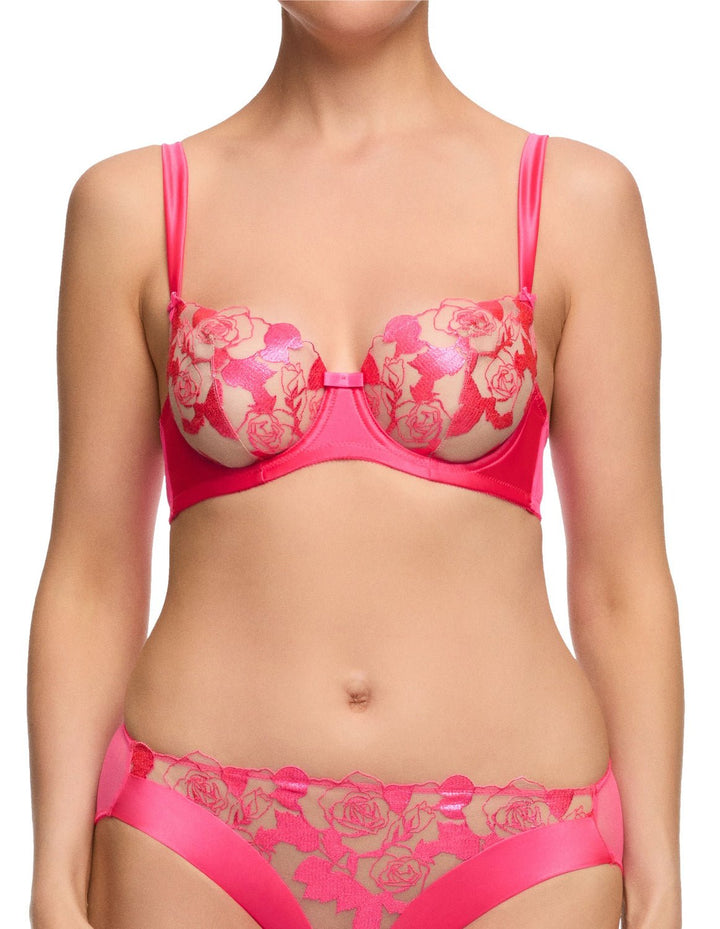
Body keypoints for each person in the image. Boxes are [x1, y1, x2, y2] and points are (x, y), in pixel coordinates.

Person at [27, 2, 683, 928]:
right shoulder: (132, 205)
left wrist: (659, 879)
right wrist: (53, 866)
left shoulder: (577, 200)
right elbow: (91, 571)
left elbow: (622, 580)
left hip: (524, 846)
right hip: (193, 835)